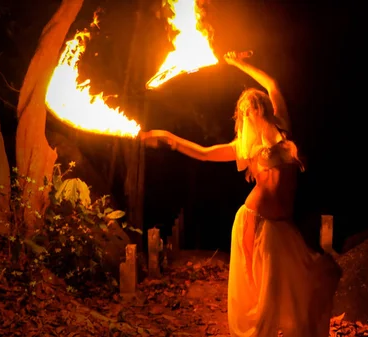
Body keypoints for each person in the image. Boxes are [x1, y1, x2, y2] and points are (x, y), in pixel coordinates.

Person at [140, 52, 341, 337]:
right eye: (245, 112)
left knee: (303, 283)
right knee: (260, 294)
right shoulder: (245, 148)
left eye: (254, 107)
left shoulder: (283, 130)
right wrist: (167, 136)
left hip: (281, 226)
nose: (250, 115)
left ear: (264, 108)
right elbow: (204, 153)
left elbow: (272, 84)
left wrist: (237, 63)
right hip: (252, 221)